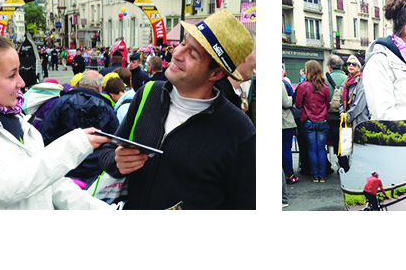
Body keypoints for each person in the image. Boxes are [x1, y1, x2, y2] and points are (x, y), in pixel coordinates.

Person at [0, 12, 110, 210]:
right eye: (11, 75)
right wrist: (74, 145)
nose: (21, 83)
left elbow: (51, 184)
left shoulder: (13, 116)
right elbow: (3, 187)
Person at [102, 11, 256, 209]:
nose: (176, 54)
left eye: (192, 54)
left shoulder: (239, 132)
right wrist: (116, 161)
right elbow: (107, 151)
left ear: (216, 73)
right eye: (183, 43)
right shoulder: (147, 93)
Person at [39, 70, 119, 183]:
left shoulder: (61, 103)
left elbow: (47, 134)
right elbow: (115, 138)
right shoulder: (107, 108)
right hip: (94, 167)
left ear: (80, 83)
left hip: (65, 165)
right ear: (100, 88)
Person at [294, 60, 332, 183]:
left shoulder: (303, 86)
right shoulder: (325, 87)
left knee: (312, 149)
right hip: (322, 121)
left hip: (308, 121)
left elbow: (298, 105)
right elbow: (328, 105)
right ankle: (322, 176)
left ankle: (315, 176)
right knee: (321, 149)